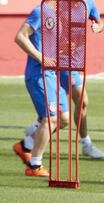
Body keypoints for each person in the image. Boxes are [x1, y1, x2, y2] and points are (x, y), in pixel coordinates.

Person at [13, 0, 104, 161]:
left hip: (68, 60)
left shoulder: (88, 3)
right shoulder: (50, 8)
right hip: (50, 63)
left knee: (80, 102)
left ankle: (84, 143)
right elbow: (26, 35)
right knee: (55, 115)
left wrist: (98, 26)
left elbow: (99, 21)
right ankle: (38, 133)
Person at [13, 2, 69, 176]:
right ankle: (34, 165)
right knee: (50, 119)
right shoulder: (40, 11)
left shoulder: (60, 14)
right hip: (39, 74)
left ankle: (26, 145)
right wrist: (41, 57)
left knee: (64, 119)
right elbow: (20, 36)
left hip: (53, 75)